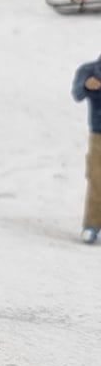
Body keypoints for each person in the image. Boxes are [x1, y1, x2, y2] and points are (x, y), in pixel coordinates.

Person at [71, 54, 101, 244]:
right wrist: (86, 85)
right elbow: (77, 93)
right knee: (97, 178)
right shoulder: (89, 70)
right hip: (99, 132)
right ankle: (92, 224)